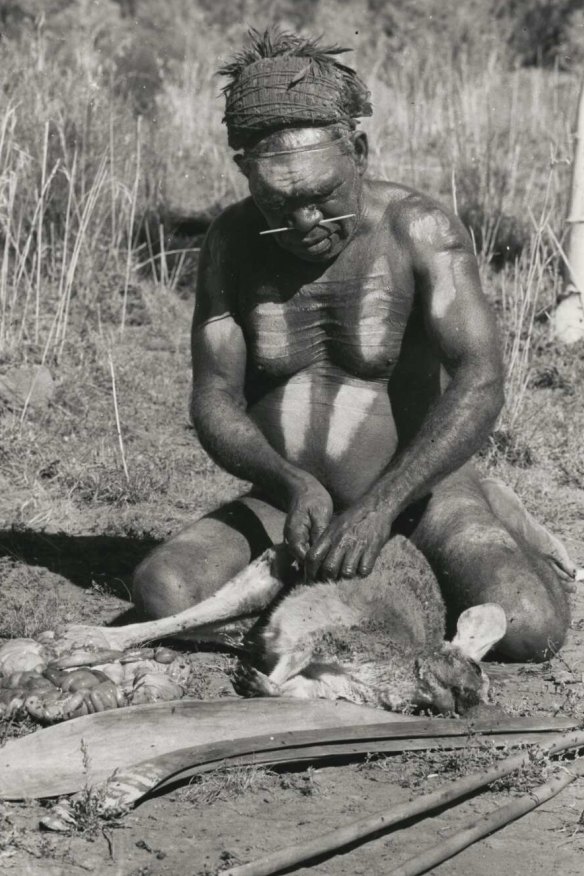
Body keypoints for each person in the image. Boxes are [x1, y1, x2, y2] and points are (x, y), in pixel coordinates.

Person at [133, 29, 573, 661]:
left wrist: (382, 506)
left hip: (422, 492)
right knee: (163, 592)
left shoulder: (419, 230)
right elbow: (214, 401)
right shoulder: (231, 243)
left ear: (358, 152)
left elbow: (480, 379)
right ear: (245, 175)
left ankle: (489, 516)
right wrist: (289, 484)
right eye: (279, 202)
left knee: (528, 627)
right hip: (289, 505)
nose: (305, 224)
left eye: (321, 197)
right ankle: (355, 582)